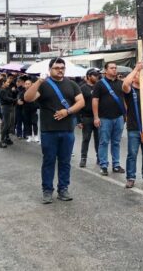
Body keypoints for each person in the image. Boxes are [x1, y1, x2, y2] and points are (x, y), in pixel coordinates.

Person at [24, 58, 85, 204]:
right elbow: (28, 98)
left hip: (67, 130)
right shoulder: (44, 85)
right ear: (50, 69)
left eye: (62, 67)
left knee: (65, 162)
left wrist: (68, 111)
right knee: (49, 161)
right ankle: (47, 191)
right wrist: (38, 81)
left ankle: (63, 189)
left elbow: (81, 102)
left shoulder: (72, 84)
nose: (60, 70)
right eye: (57, 67)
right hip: (49, 130)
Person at [93, 63, 127, 175]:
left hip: (118, 117)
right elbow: (95, 101)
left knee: (116, 142)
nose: (114, 70)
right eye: (112, 68)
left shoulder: (121, 83)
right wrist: (96, 117)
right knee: (103, 142)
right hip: (104, 118)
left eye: (115, 68)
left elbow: (124, 100)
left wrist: (125, 115)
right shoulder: (99, 84)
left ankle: (116, 165)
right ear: (105, 70)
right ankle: (103, 165)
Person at [77, 69, 101, 167]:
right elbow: (78, 104)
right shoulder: (82, 88)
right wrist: (79, 120)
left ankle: (100, 158)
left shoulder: (98, 87)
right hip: (86, 118)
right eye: (94, 75)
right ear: (88, 76)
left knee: (99, 139)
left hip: (98, 117)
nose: (96, 77)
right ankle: (83, 158)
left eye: (97, 75)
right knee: (86, 139)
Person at [0, 78, 17, 148]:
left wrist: (14, 91)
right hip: (5, 108)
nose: (8, 83)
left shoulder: (7, 89)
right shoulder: (2, 90)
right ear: (3, 83)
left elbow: (11, 95)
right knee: (6, 124)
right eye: (7, 82)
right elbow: (6, 98)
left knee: (9, 124)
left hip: (9, 107)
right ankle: (1, 141)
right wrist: (15, 100)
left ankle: (7, 138)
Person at [21, 78, 40, 143]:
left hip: (34, 110)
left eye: (28, 84)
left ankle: (36, 136)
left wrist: (37, 105)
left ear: (31, 84)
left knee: (34, 123)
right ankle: (29, 136)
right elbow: (20, 99)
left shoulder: (35, 91)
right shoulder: (22, 92)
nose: (27, 85)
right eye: (26, 84)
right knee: (27, 123)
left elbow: (39, 99)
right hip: (25, 110)